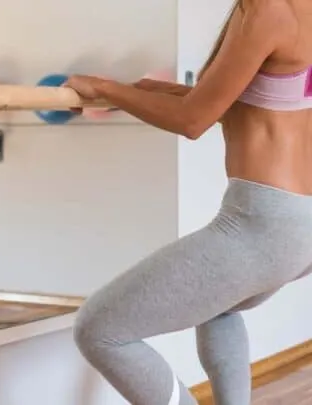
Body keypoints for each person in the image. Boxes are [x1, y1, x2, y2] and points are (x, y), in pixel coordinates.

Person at [64, 1, 312, 404]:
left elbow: (191, 119)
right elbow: (240, 102)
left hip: (266, 223)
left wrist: (106, 88)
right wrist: (145, 91)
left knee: (98, 329)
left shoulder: (267, 9)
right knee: (219, 306)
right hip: (299, 222)